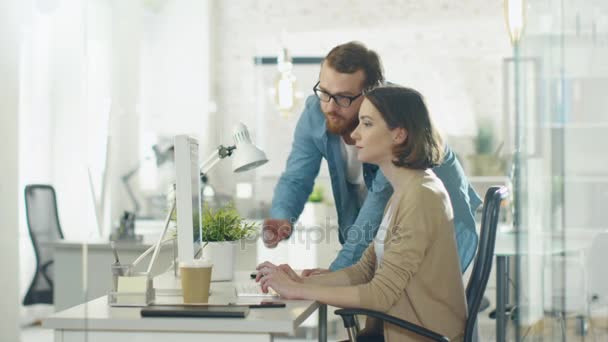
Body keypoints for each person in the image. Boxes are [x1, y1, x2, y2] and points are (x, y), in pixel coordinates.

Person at [257, 86, 467, 341]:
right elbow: (364, 270)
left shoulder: (421, 196)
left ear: (398, 134)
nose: (354, 134)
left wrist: (296, 290)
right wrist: (300, 283)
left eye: (366, 124)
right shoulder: (403, 191)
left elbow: (380, 295)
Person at [263, 41, 481, 273]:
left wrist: (334, 275)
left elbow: (376, 207)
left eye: (343, 98)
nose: (329, 107)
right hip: (384, 234)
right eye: (324, 93)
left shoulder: (394, 121)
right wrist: (282, 217)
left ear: (371, 94)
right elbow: (297, 177)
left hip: (438, 234)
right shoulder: (316, 112)